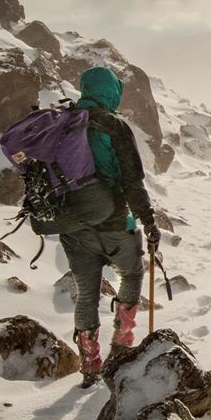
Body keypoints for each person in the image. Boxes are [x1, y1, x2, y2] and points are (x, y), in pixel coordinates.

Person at [64, 66, 160, 388]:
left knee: (86, 293)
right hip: (115, 222)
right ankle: (121, 346)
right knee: (131, 274)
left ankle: (90, 364)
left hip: (74, 228)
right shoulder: (114, 127)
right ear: (111, 93)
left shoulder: (63, 124)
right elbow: (132, 182)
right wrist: (149, 223)